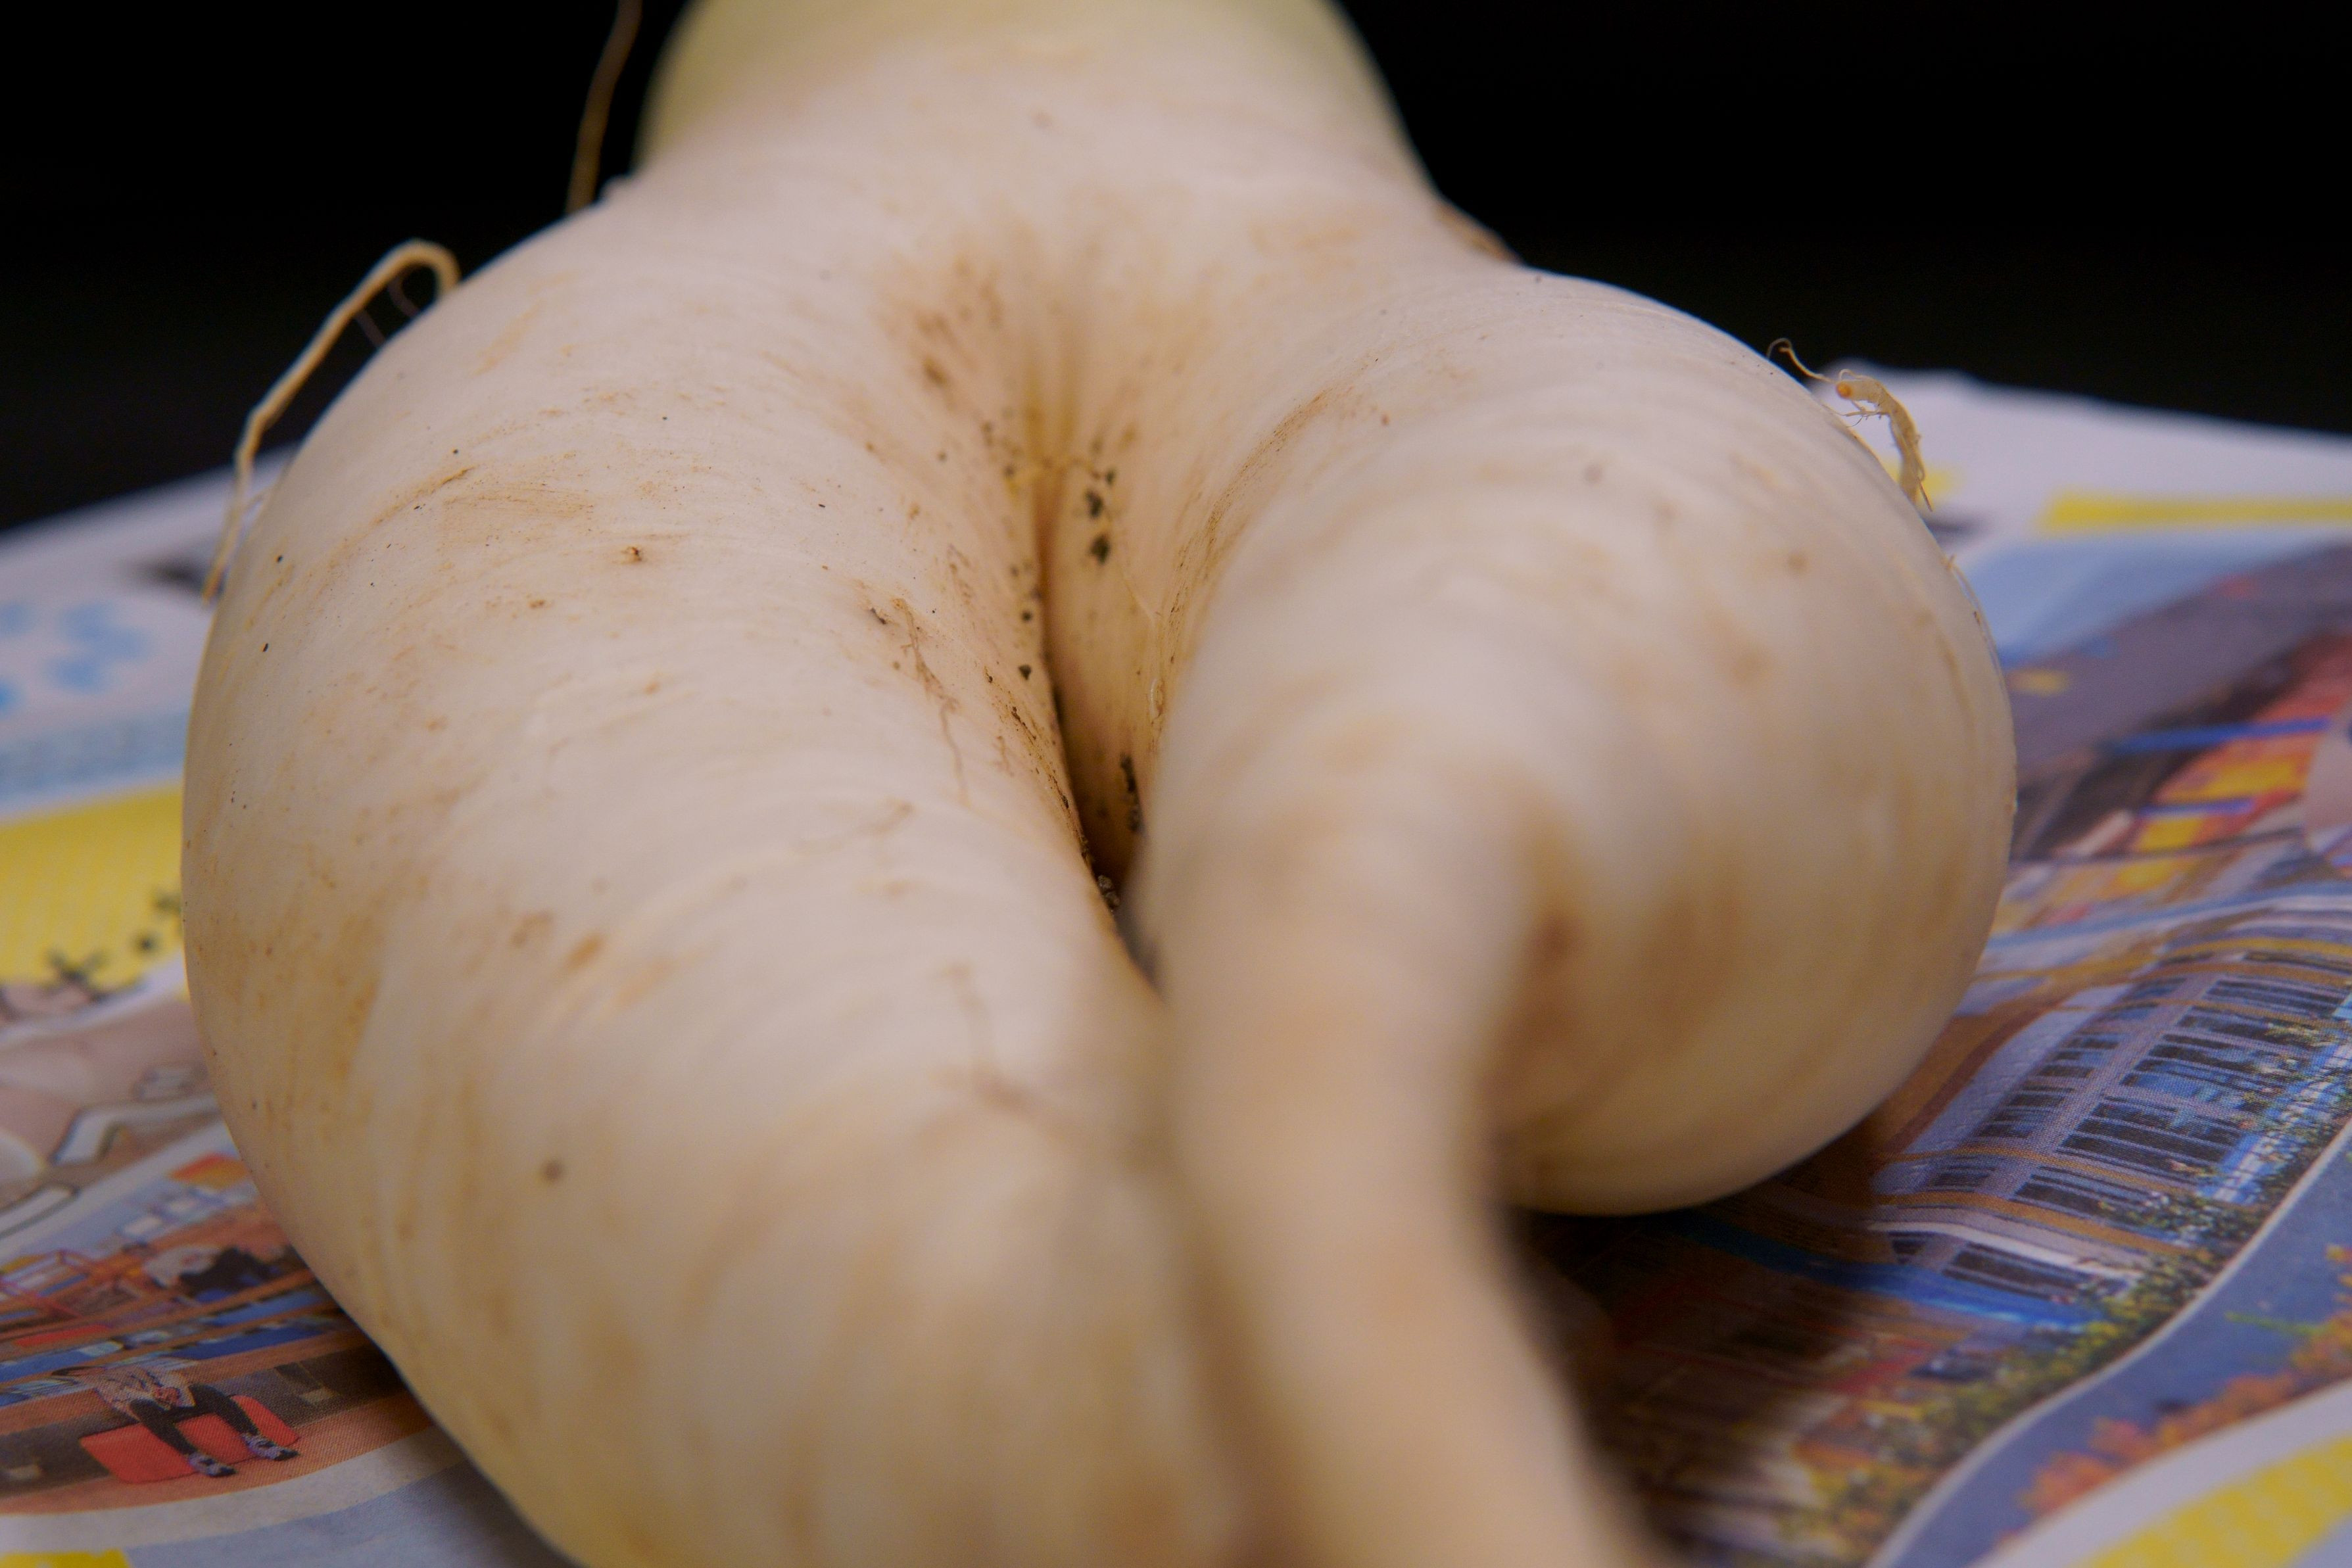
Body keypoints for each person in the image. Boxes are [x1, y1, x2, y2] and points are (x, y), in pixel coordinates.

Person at [75, 1360, 299, 1479]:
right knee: (140, 1406)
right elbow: (122, 1394)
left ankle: (255, 1439)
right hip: (153, 1411)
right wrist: (155, 1395)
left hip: (178, 1400)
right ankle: (194, 1456)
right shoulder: (97, 1381)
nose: (88, 1371)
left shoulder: (131, 1363)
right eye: (80, 1372)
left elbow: (166, 1374)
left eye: (87, 1367)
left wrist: (171, 1389)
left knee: (201, 1390)